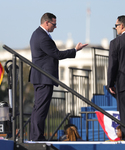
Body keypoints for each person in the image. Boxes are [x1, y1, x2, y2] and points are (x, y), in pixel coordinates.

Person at [29, 12, 88, 141]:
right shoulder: (43, 37)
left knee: (38, 108)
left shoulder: (38, 34)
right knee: (41, 109)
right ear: (46, 22)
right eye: (54, 24)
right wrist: (75, 50)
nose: (55, 27)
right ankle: (37, 137)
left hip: (40, 77)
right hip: (43, 78)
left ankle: (35, 135)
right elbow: (57, 54)